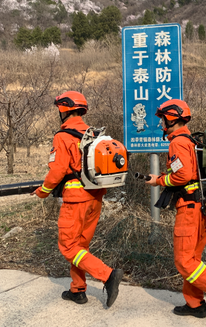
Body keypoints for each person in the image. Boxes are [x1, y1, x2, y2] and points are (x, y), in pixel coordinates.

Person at [146, 99, 206, 322]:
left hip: (189, 209)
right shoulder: (191, 140)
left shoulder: (178, 143)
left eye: (163, 118)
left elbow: (183, 175)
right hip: (200, 207)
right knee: (193, 259)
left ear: (171, 118)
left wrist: (159, 180)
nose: (161, 123)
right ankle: (195, 304)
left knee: (184, 261)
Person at [32, 91, 124, 308]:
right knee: (80, 246)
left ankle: (108, 275)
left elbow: (57, 171)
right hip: (96, 198)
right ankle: (77, 290)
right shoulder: (93, 135)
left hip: (76, 200)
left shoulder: (62, 136)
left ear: (63, 110)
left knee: (68, 246)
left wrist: (43, 191)